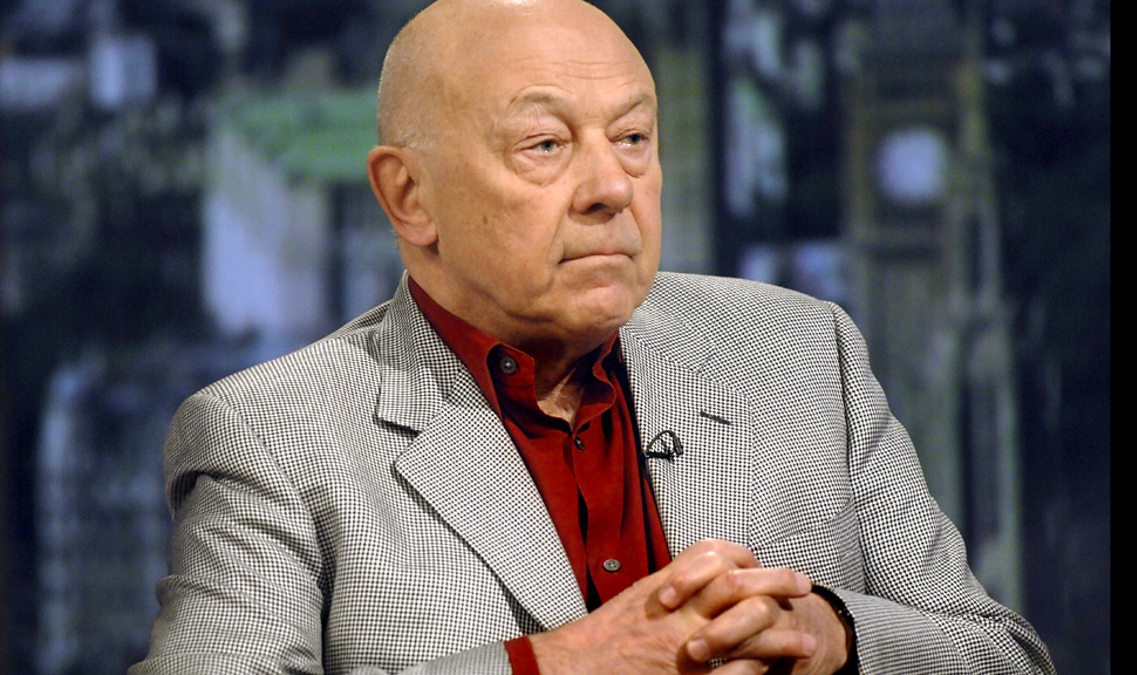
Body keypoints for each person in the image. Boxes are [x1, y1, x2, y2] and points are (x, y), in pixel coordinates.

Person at [131, 0, 1055, 673]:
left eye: (634, 139)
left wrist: (836, 637)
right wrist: (556, 665)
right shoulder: (272, 434)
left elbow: (1002, 656)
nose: (611, 187)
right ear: (408, 196)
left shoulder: (804, 353)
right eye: (545, 145)